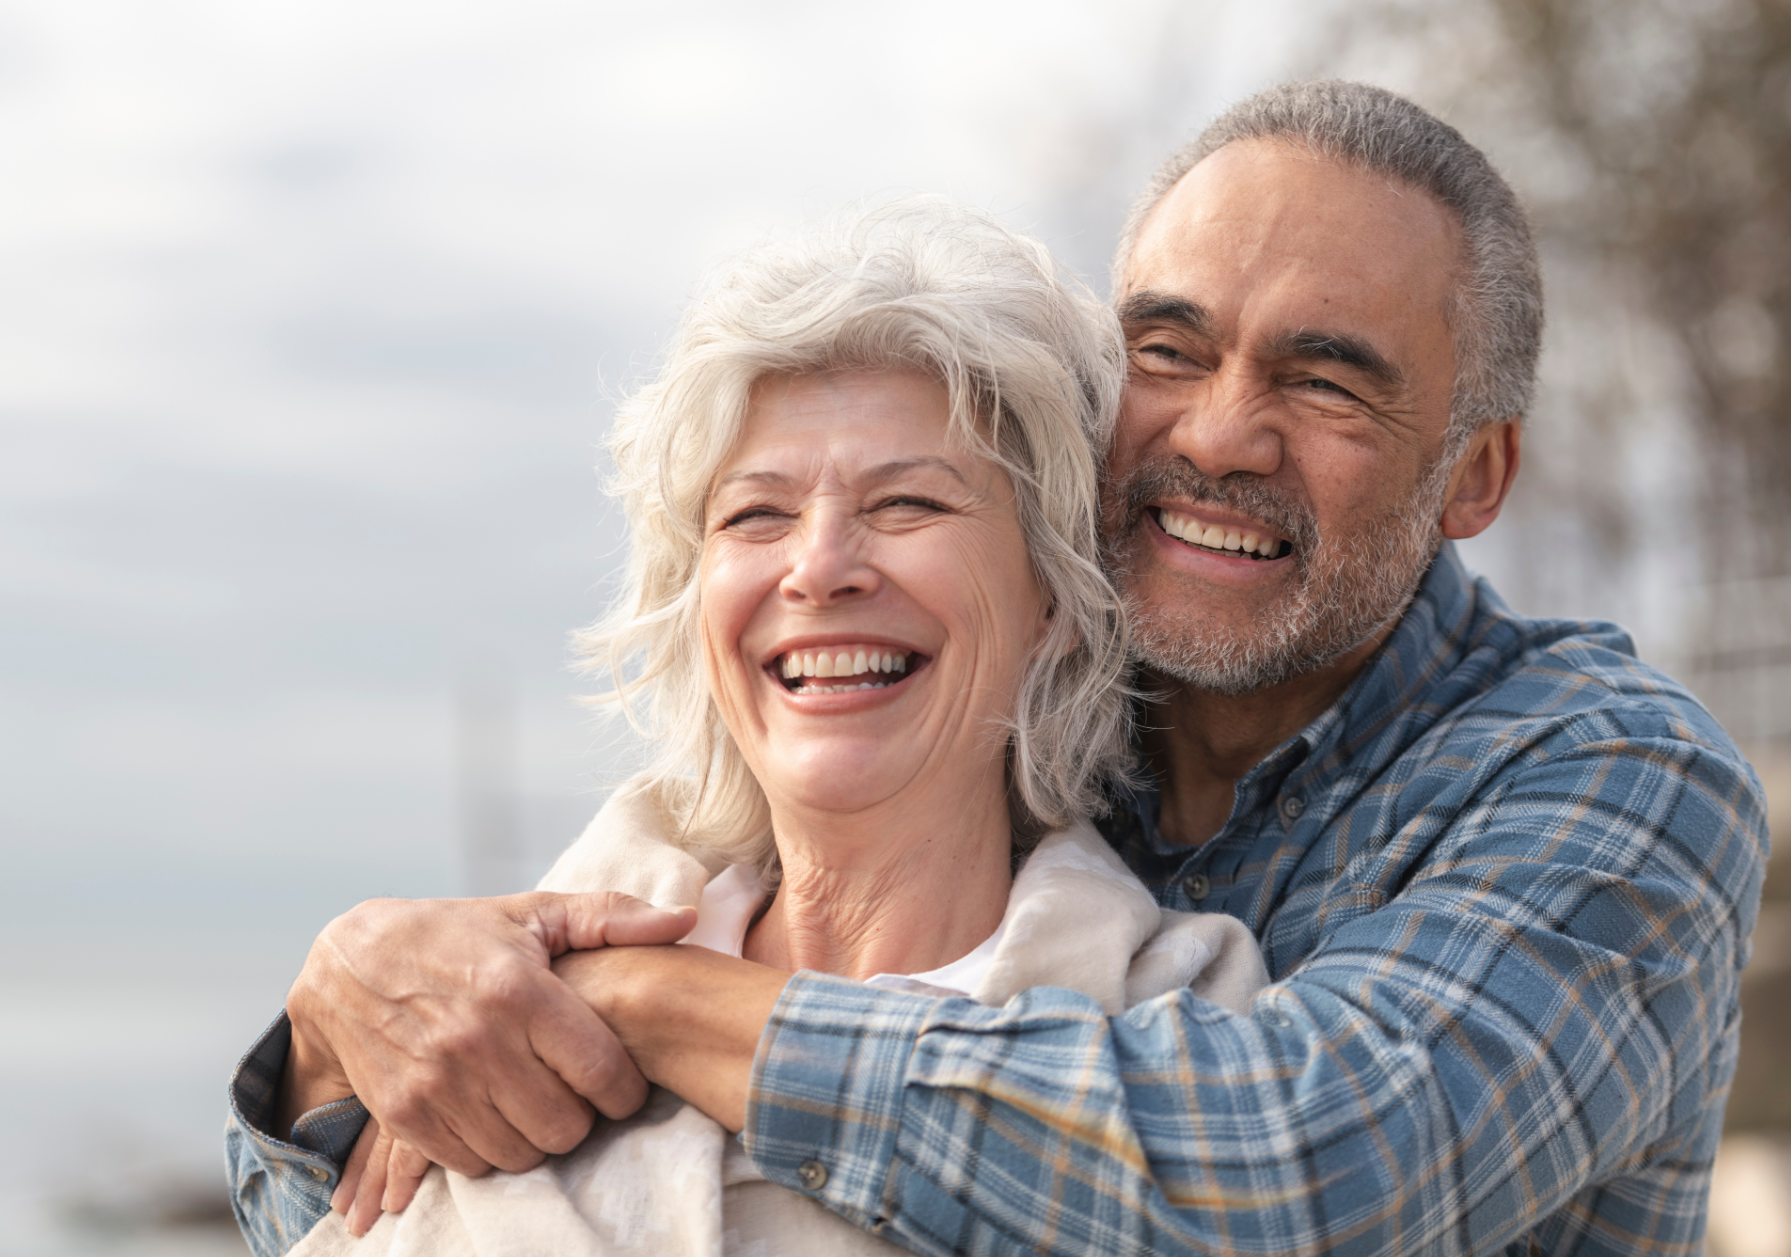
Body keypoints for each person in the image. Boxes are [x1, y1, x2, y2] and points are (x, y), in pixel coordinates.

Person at [229, 81, 1767, 1257]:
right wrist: (334, 1026)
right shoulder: (991, 727)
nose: (1219, 434)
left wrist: (644, 1004)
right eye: (1168, 352)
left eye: (1323, 379)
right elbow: (369, 1184)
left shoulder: (1612, 775)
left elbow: (1314, 1166)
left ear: (1476, 475)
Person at [245, 198, 1271, 1256]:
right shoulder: (487, 1018)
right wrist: (323, 1035)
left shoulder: (1183, 1019)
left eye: (909, 503)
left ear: (1050, 597)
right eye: (756, 514)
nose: (820, 566)